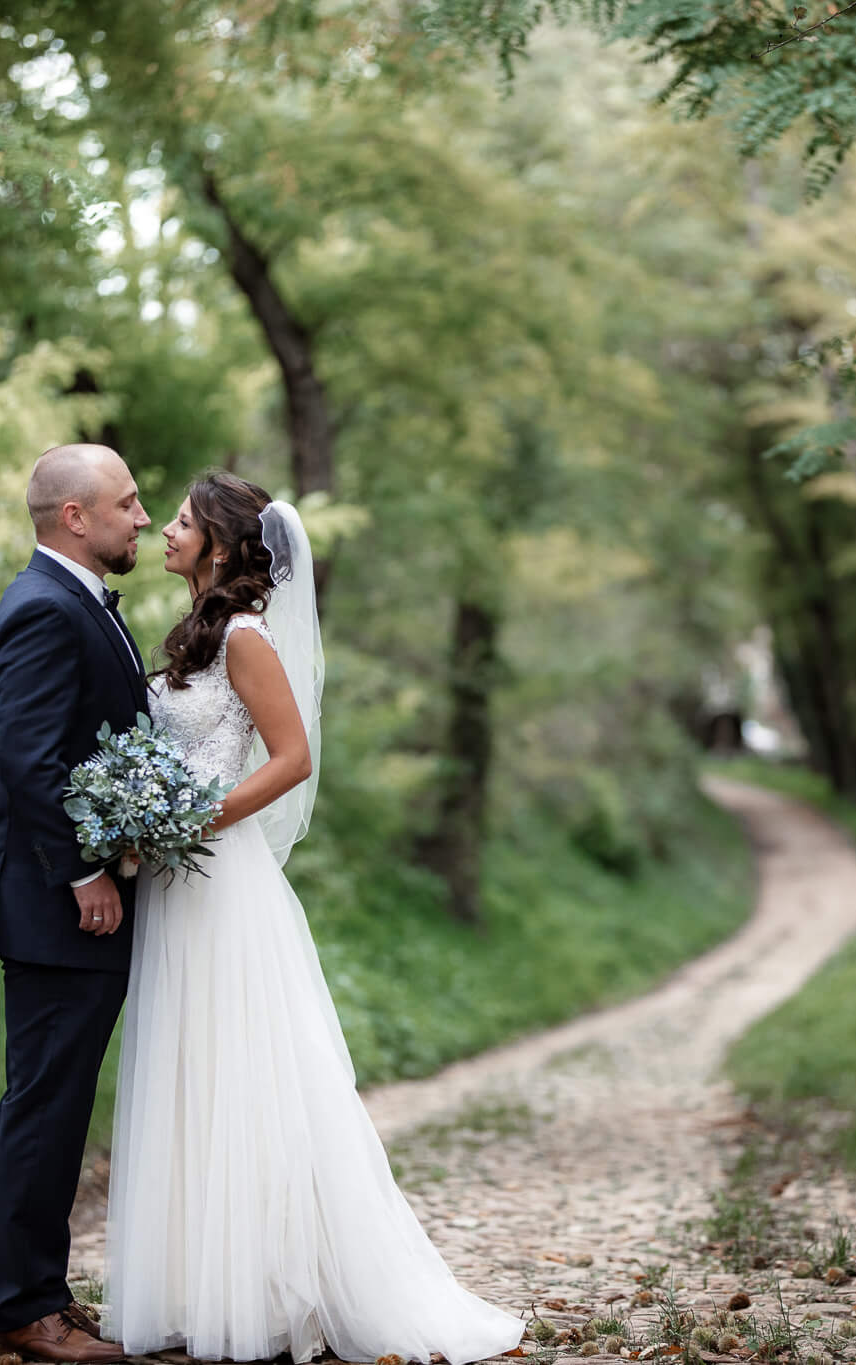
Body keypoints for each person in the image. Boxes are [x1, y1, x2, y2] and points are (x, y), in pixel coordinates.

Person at [105, 471, 526, 1363]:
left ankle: (281, 1283)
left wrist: (190, 818)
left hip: (223, 884)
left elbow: (291, 758)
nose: (166, 532)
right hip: (177, 888)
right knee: (191, 1076)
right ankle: (206, 1283)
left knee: (243, 1076)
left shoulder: (247, 639)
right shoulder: (191, 635)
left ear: (219, 545)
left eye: (180, 521)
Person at [0, 444, 149, 1364]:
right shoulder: (42, 607)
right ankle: (25, 1314)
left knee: (62, 1099)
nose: (144, 518)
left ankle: (45, 1293)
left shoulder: (75, 599)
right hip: (53, 905)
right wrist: (85, 871)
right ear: (74, 517)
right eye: (126, 503)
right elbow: (28, 760)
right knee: (42, 1103)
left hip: (70, 902)